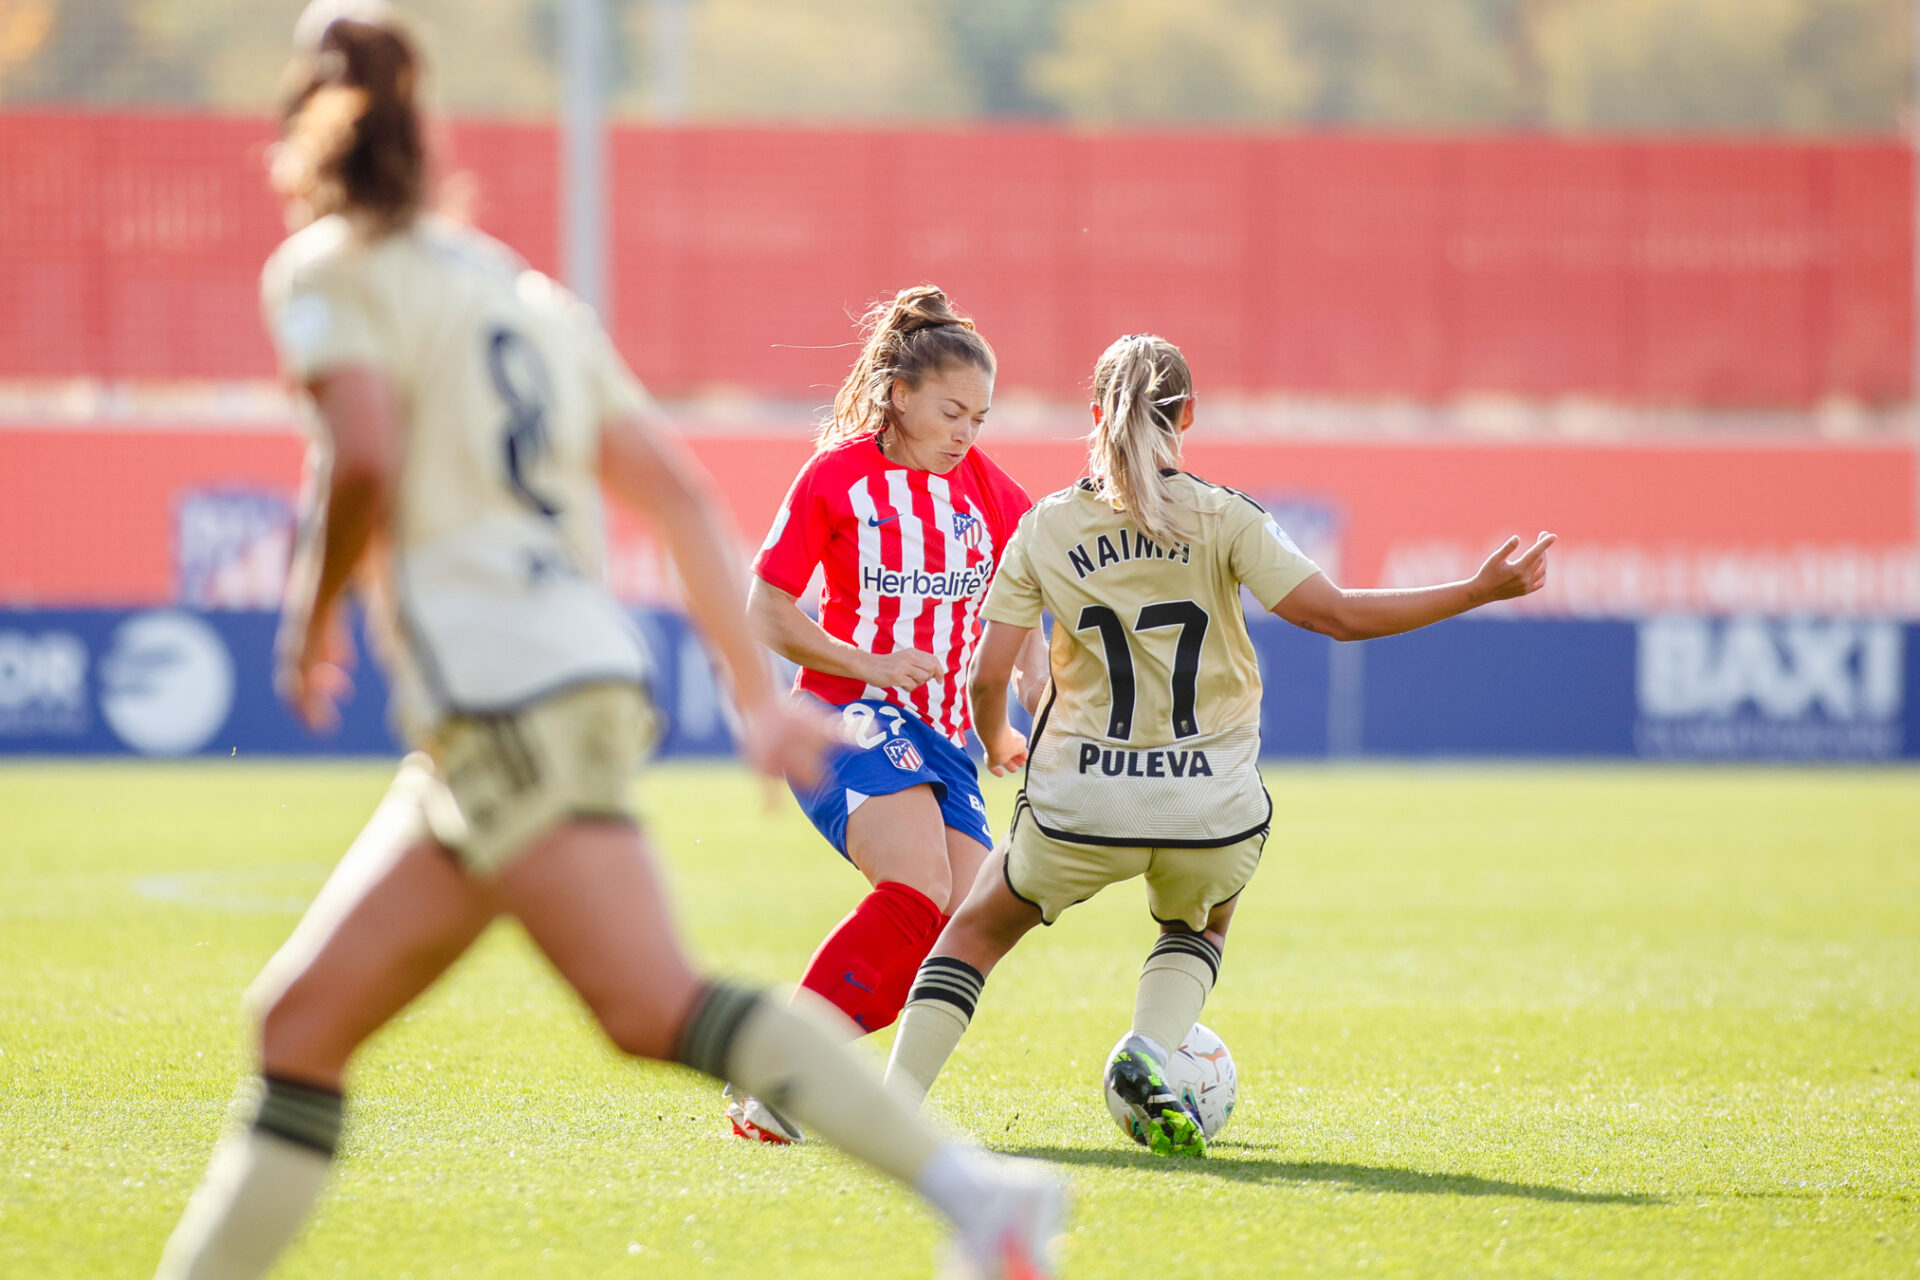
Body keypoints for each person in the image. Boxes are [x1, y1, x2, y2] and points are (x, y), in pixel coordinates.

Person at [152, 9, 1066, 1278]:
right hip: (544, 692)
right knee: (298, 1025)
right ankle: (973, 1191)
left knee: (654, 1002)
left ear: (302, 131)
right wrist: (758, 694)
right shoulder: (519, 292)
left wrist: (311, 619)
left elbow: (359, 452)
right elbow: (684, 496)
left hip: (506, 695)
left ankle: (978, 1197)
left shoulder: (323, 270)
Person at [883, 333, 1555, 1156]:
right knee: (1200, 923)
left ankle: (888, 1111)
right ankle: (1147, 1049)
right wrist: (1479, 589)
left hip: (1082, 801)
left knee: (976, 932)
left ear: (1094, 417)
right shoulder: (1226, 515)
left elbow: (989, 679)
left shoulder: (1046, 527)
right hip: (1210, 806)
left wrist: (998, 738)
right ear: (1189, 415)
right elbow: (1336, 615)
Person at [731, 285, 1046, 1143]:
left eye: (980, 417)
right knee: (918, 888)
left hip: (946, 742)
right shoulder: (838, 477)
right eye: (951, 411)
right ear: (899, 395)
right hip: (851, 719)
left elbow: (1028, 603)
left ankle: (779, 1058)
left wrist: (1031, 682)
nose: (966, 432)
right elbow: (766, 610)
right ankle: (785, 1086)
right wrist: (867, 662)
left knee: (957, 926)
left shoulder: (994, 495)